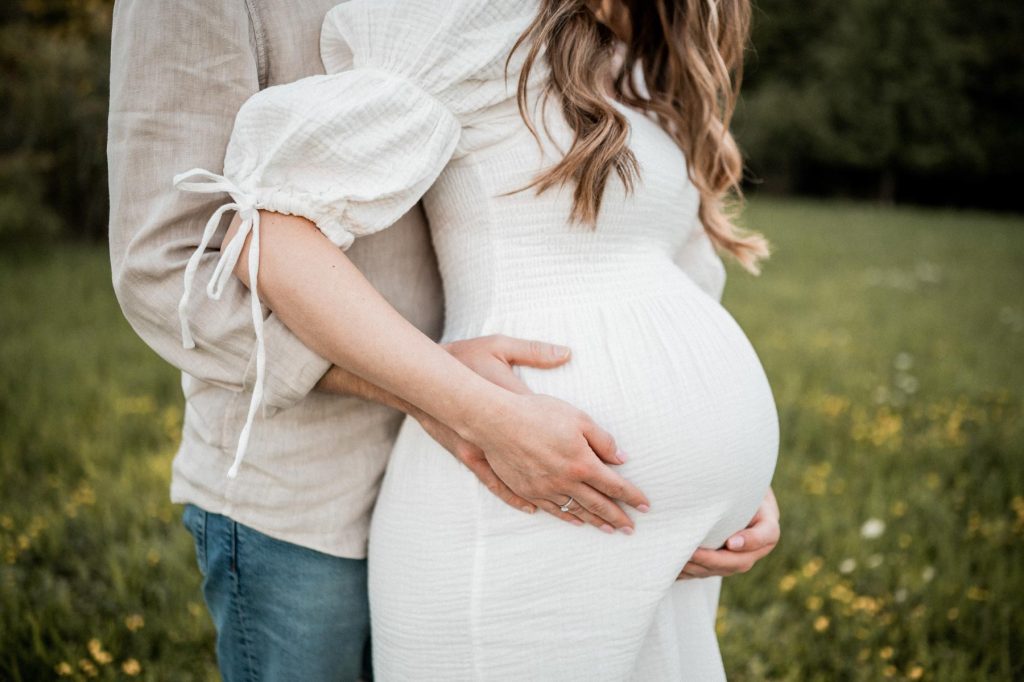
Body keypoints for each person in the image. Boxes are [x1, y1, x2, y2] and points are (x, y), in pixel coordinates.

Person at [108, 0, 781, 679]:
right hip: (316, 485)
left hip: (540, 473)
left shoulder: (607, 47)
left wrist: (730, 478)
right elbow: (173, 261)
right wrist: (452, 396)